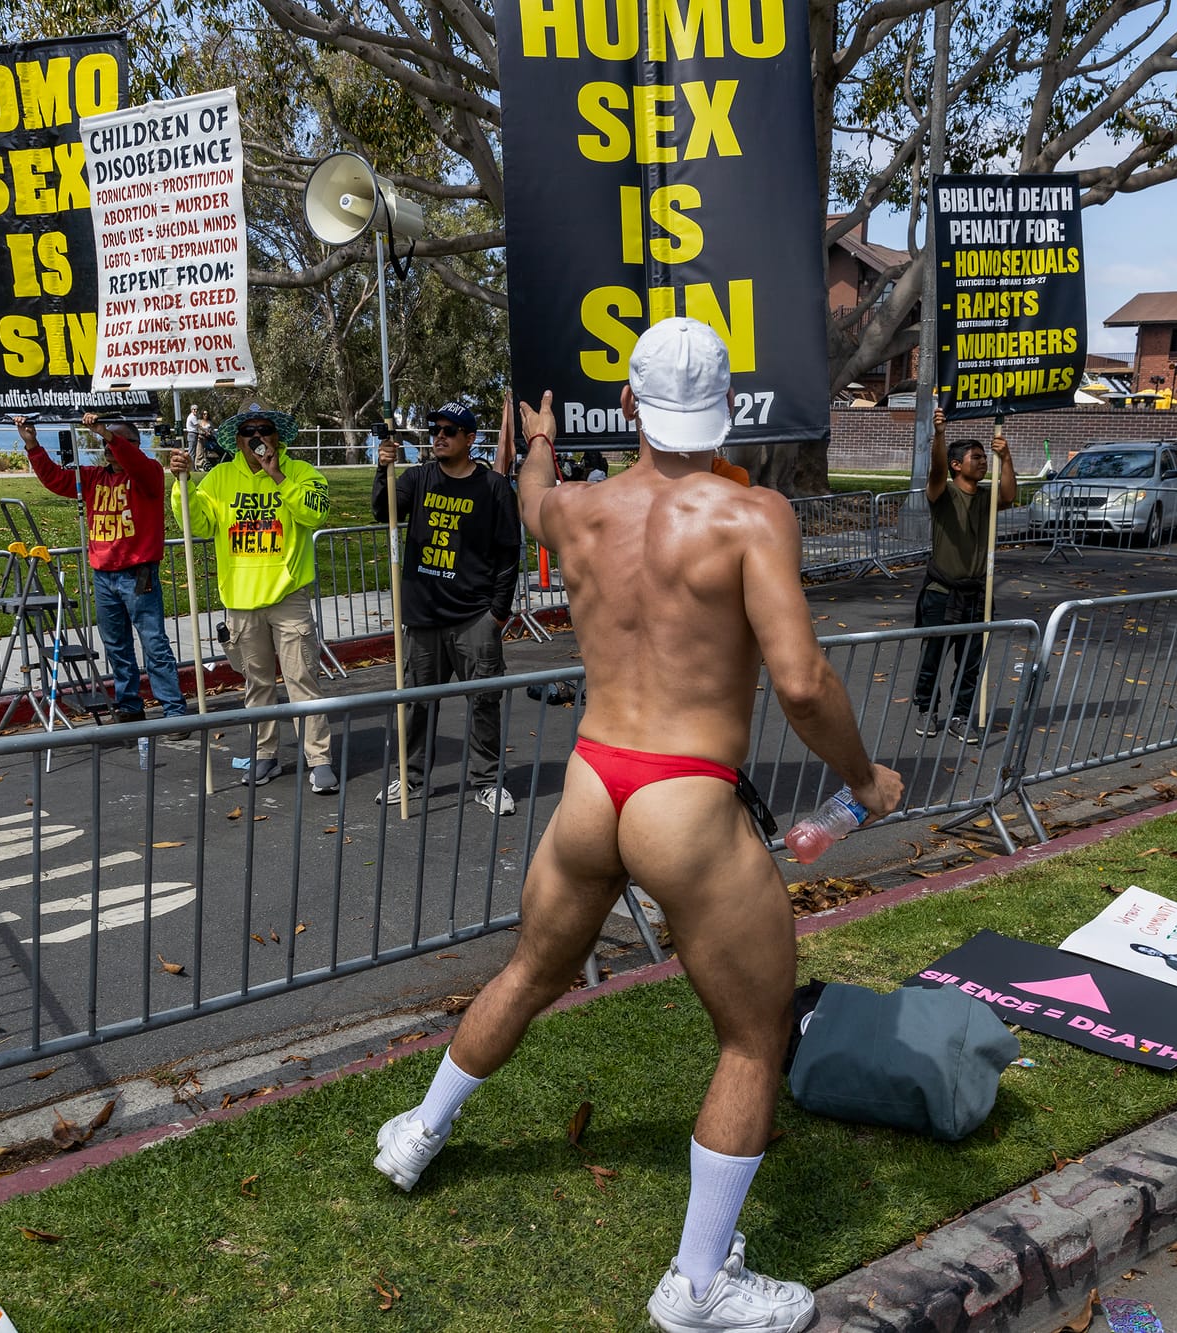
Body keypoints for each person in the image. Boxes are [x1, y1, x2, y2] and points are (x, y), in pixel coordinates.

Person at [370, 317, 904, 1333]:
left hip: (594, 781)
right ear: (726, 409)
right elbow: (798, 680)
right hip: (684, 799)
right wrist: (862, 776)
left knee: (529, 971)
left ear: (626, 405)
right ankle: (698, 1286)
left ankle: (417, 1131)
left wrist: (533, 439)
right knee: (752, 1036)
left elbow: (530, 495)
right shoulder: (752, 517)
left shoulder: (573, 510)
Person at [169, 403, 337, 793]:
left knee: (302, 679)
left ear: (277, 437)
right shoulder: (219, 478)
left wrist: (276, 475)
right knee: (257, 684)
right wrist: (183, 486)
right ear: (238, 441)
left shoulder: (301, 472)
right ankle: (265, 756)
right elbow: (199, 523)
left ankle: (319, 758)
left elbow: (316, 515)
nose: (257, 437)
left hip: (288, 596)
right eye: (249, 432)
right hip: (241, 602)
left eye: (264, 430)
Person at [373, 401, 523, 815]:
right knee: (417, 704)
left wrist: (498, 612)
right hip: (423, 617)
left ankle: (487, 781)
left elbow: (510, 552)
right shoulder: (418, 478)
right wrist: (381, 469)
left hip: (475, 616)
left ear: (470, 439)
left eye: (449, 430)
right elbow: (383, 511)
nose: (439, 435)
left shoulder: (493, 487)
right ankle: (411, 778)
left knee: (484, 701)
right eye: (435, 429)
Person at [14, 414, 191, 726]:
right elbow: (55, 479)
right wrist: (32, 445)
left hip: (139, 573)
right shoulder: (93, 478)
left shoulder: (148, 473)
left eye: (118, 441)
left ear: (135, 446)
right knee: (116, 646)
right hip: (105, 576)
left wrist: (110, 436)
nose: (109, 447)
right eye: (106, 442)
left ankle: (173, 711)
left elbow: (134, 462)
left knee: (153, 642)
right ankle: (129, 705)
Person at [911, 407, 1018, 742]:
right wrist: (940, 435)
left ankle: (960, 715)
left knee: (971, 662)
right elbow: (937, 470)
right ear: (957, 465)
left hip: (976, 595)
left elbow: (1010, 495)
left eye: (986, 457)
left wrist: (1008, 458)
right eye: (976, 457)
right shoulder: (942, 494)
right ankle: (927, 710)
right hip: (942, 594)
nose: (983, 462)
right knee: (932, 658)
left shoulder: (986, 497)